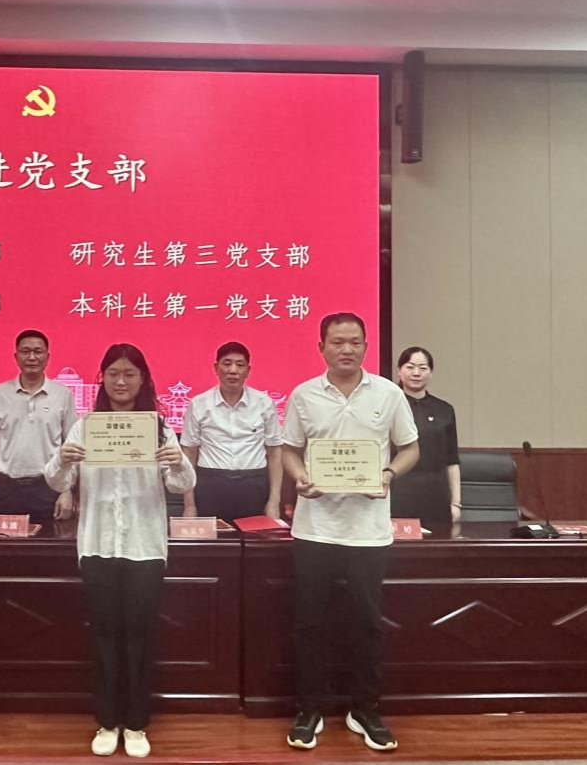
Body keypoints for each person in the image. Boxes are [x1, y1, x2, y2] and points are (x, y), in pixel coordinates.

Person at [44, 343, 195, 759]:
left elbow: (182, 484)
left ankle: (137, 723)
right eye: (113, 373)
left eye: (129, 374)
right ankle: (108, 721)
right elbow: (57, 481)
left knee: (140, 635)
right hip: (97, 544)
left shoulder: (158, 428)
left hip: (144, 547)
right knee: (104, 634)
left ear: (143, 379)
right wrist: (63, 459)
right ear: (102, 379)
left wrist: (177, 460)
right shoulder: (85, 427)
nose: (121, 381)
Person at [281, 313, 419, 754]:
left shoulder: (388, 393)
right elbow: (289, 450)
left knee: (367, 623)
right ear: (321, 347)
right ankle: (309, 709)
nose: (346, 349)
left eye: (355, 342)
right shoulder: (303, 395)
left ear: (365, 347)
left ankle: (365, 709)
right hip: (315, 527)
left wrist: (388, 474)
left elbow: (410, 447)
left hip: (367, 530)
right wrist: (300, 477)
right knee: (310, 623)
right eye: (338, 341)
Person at [0, 329, 76, 523]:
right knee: (4, 542)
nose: (32, 357)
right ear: (16, 357)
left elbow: (70, 445)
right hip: (6, 488)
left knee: (50, 541)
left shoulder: (62, 394)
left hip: (49, 486)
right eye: (25, 351)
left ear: (47, 357)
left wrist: (67, 490)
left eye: (38, 352)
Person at [181, 341, 284, 522]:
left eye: (240, 364)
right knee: (214, 540)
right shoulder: (198, 404)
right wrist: (189, 505)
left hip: (254, 485)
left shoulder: (264, 403)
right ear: (216, 368)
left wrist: (274, 502)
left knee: (255, 539)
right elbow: (189, 454)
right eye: (227, 364)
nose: (233, 370)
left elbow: (275, 453)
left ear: (248, 370)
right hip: (210, 484)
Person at [391, 347, 460, 525]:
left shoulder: (444, 409)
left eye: (423, 368)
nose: (416, 373)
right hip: (398, 492)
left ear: (431, 373)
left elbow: (452, 460)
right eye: (410, 367)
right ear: (399, 370)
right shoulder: (388, 406)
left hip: (436, 494)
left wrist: (456, 503)